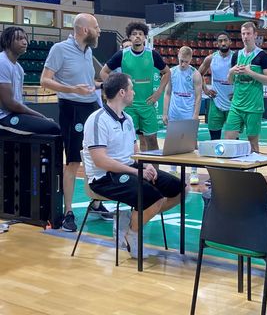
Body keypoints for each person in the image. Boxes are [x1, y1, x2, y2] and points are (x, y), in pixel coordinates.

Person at [82, 73, 184, 259]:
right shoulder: (97, 120)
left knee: (181, 189)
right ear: (122, 92)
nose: (134, 92)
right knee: (154, 198)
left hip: (129, 170)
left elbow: (135, 154)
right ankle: (132, 234)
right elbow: (101, 161)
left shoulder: (128, 119)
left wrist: (145, 167)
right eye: (131, 89)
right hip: (104, 178)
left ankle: (131, 220)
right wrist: (136, 171)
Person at [41, 13, 108, 232]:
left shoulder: (88, 52)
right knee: (73, 161)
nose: (99, 31)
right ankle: (68, 211)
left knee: (100, 157)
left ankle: (97, 202)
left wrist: (101, 85)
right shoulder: (59, 49)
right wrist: (72, 89)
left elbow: (87, 84)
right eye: (96, 27)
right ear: (84, 30)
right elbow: (45, 80)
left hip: (91, 107)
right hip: (71, 109)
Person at [99, 22, 171, 153]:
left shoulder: (152, 54)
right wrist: (115, 88)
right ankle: (134, 172)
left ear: (145, 37)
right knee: (128, 142)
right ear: (129, 37)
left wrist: (159, 92)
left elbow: (167, 72)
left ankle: (156, 172)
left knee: (152, 140)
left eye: (140, 34)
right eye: (134, 34)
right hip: (129, 106)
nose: (137, 36)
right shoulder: (122, 54)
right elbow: (103, 72)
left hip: (147, 105)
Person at [223, 22, 267, 152]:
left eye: (248, 33)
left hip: (254, 107)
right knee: (228, 140)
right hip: (236, 105)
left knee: (253, 144)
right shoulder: (236, 56)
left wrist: (250, 72)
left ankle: (252, 171)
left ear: (255, 35)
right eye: (243, 34)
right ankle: (232, 170)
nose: (245, 36)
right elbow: (230, 81)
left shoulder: (262, 56)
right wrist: (231, 72)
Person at [0, 27, 60, 135]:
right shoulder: (2, 63)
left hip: (13, 114)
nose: (24, 42)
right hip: (3, 117)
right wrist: (40, 116)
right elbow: (9, 104)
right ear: (7, 42)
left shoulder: (18, 68)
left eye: (25, 39)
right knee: (53, 128)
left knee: (50, 126)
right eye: (19, 39)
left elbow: (17, 103)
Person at [162, 46, 202, 183]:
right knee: (173, 141)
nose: (183, 64)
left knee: (192, 142)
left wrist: (195, 115)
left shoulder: (195, 74)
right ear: (178, 56)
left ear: (190, 59)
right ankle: (173, 170)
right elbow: (167, 93)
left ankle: (194, 171)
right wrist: (164, 113)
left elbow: (198, 96)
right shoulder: (172, 72)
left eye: (185, 61)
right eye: (181, 61)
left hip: (188, 113)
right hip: (174, 112)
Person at [198, 32, 237, 140]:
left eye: (225, 40)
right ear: (217, 43)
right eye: (220, 41)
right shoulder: (210, 59)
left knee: (233, 138)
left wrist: (238, 92)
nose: (223, 43)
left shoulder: (236, 57)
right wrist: (205, 89)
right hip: (216, 102)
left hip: (233, 104)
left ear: (230, 42)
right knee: (214, 137)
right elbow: (198, 74)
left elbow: (244, 78)